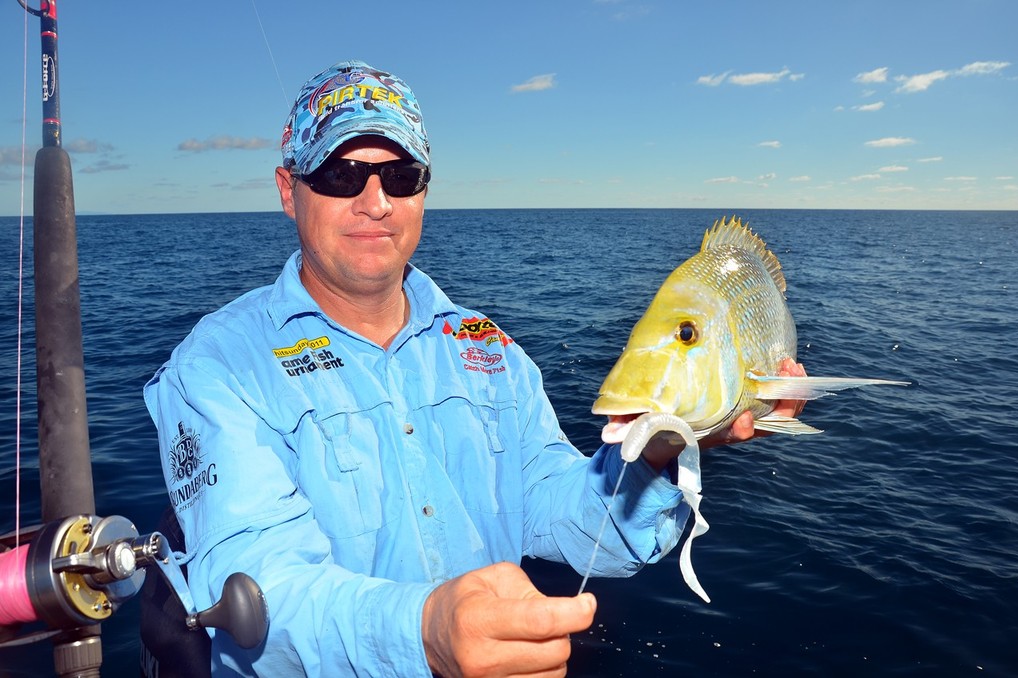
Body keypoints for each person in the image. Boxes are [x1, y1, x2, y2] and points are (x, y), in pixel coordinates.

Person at [143, 60, 806, 677]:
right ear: (290, 190)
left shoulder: (489, 351)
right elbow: (258, 593)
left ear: (425, 192)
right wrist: (425, 630)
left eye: (400, 177)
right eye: (343, 175)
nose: (376, 201)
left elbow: (568, 520)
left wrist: (659, 449)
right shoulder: (219, 365)